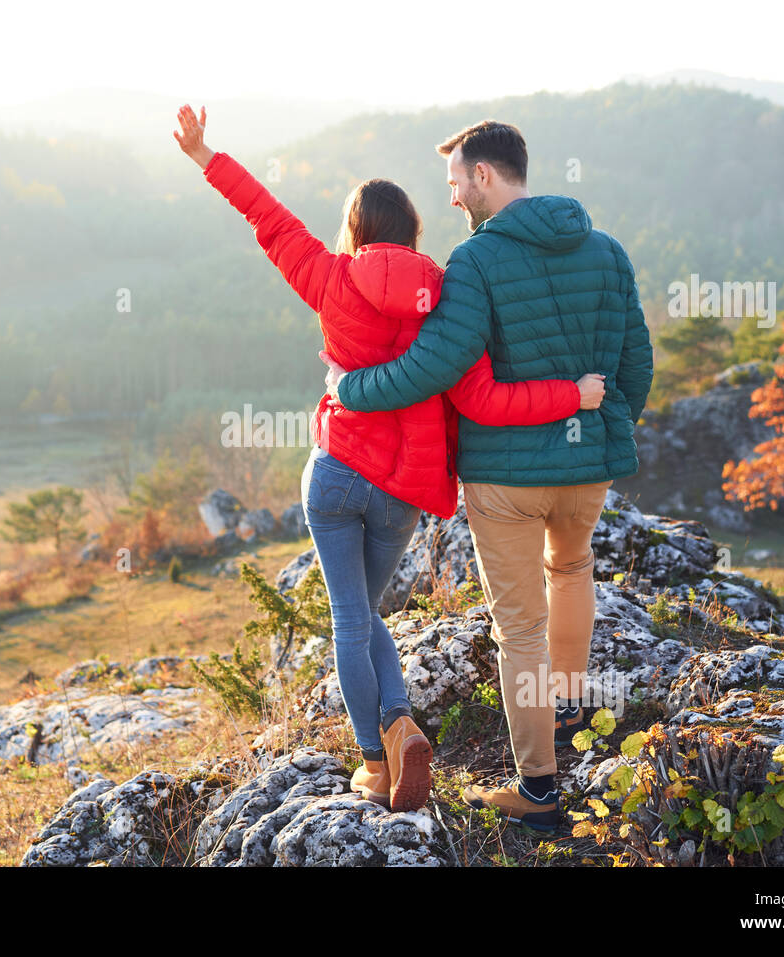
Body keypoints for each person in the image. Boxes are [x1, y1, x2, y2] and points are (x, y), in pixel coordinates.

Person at [174, 105, 607, 813]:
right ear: (412, 234)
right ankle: (399, 723)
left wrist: (204, 156)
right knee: (366, 609)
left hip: (338, 471)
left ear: (355, 231)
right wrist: (567, 396)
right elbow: (478, 383)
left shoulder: (328, 276)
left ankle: (379, 757)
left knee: (352, 617)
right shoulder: (446, 289)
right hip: (403, 491)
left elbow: (267, 216)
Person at [325, 119, 654, 831]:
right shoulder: (607, 251)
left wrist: (350, 390)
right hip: (587, 465)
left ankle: (538, 789)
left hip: (506, 478)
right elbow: (637, 365)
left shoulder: (475, 262)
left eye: (455, 183)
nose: (451, 201)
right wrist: (603, 426)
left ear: (484, 176)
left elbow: (435, 366)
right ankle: (566, 708)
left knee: (519, 627)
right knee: (570, 570)